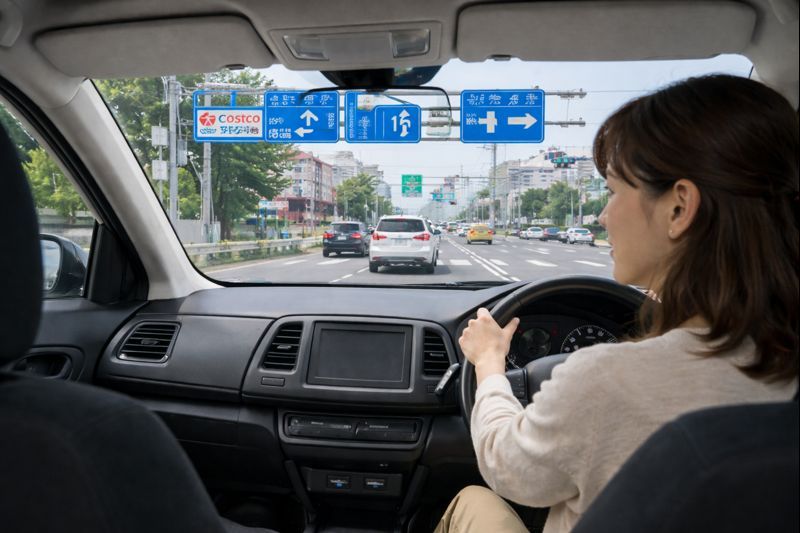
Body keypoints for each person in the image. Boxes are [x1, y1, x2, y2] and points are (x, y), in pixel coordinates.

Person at [435, 74, 798, 533]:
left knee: (472, 500)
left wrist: (489, 364)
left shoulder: (609, 380)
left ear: (679, 207)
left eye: (613, 191)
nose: (603, 217)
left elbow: (506, 465)